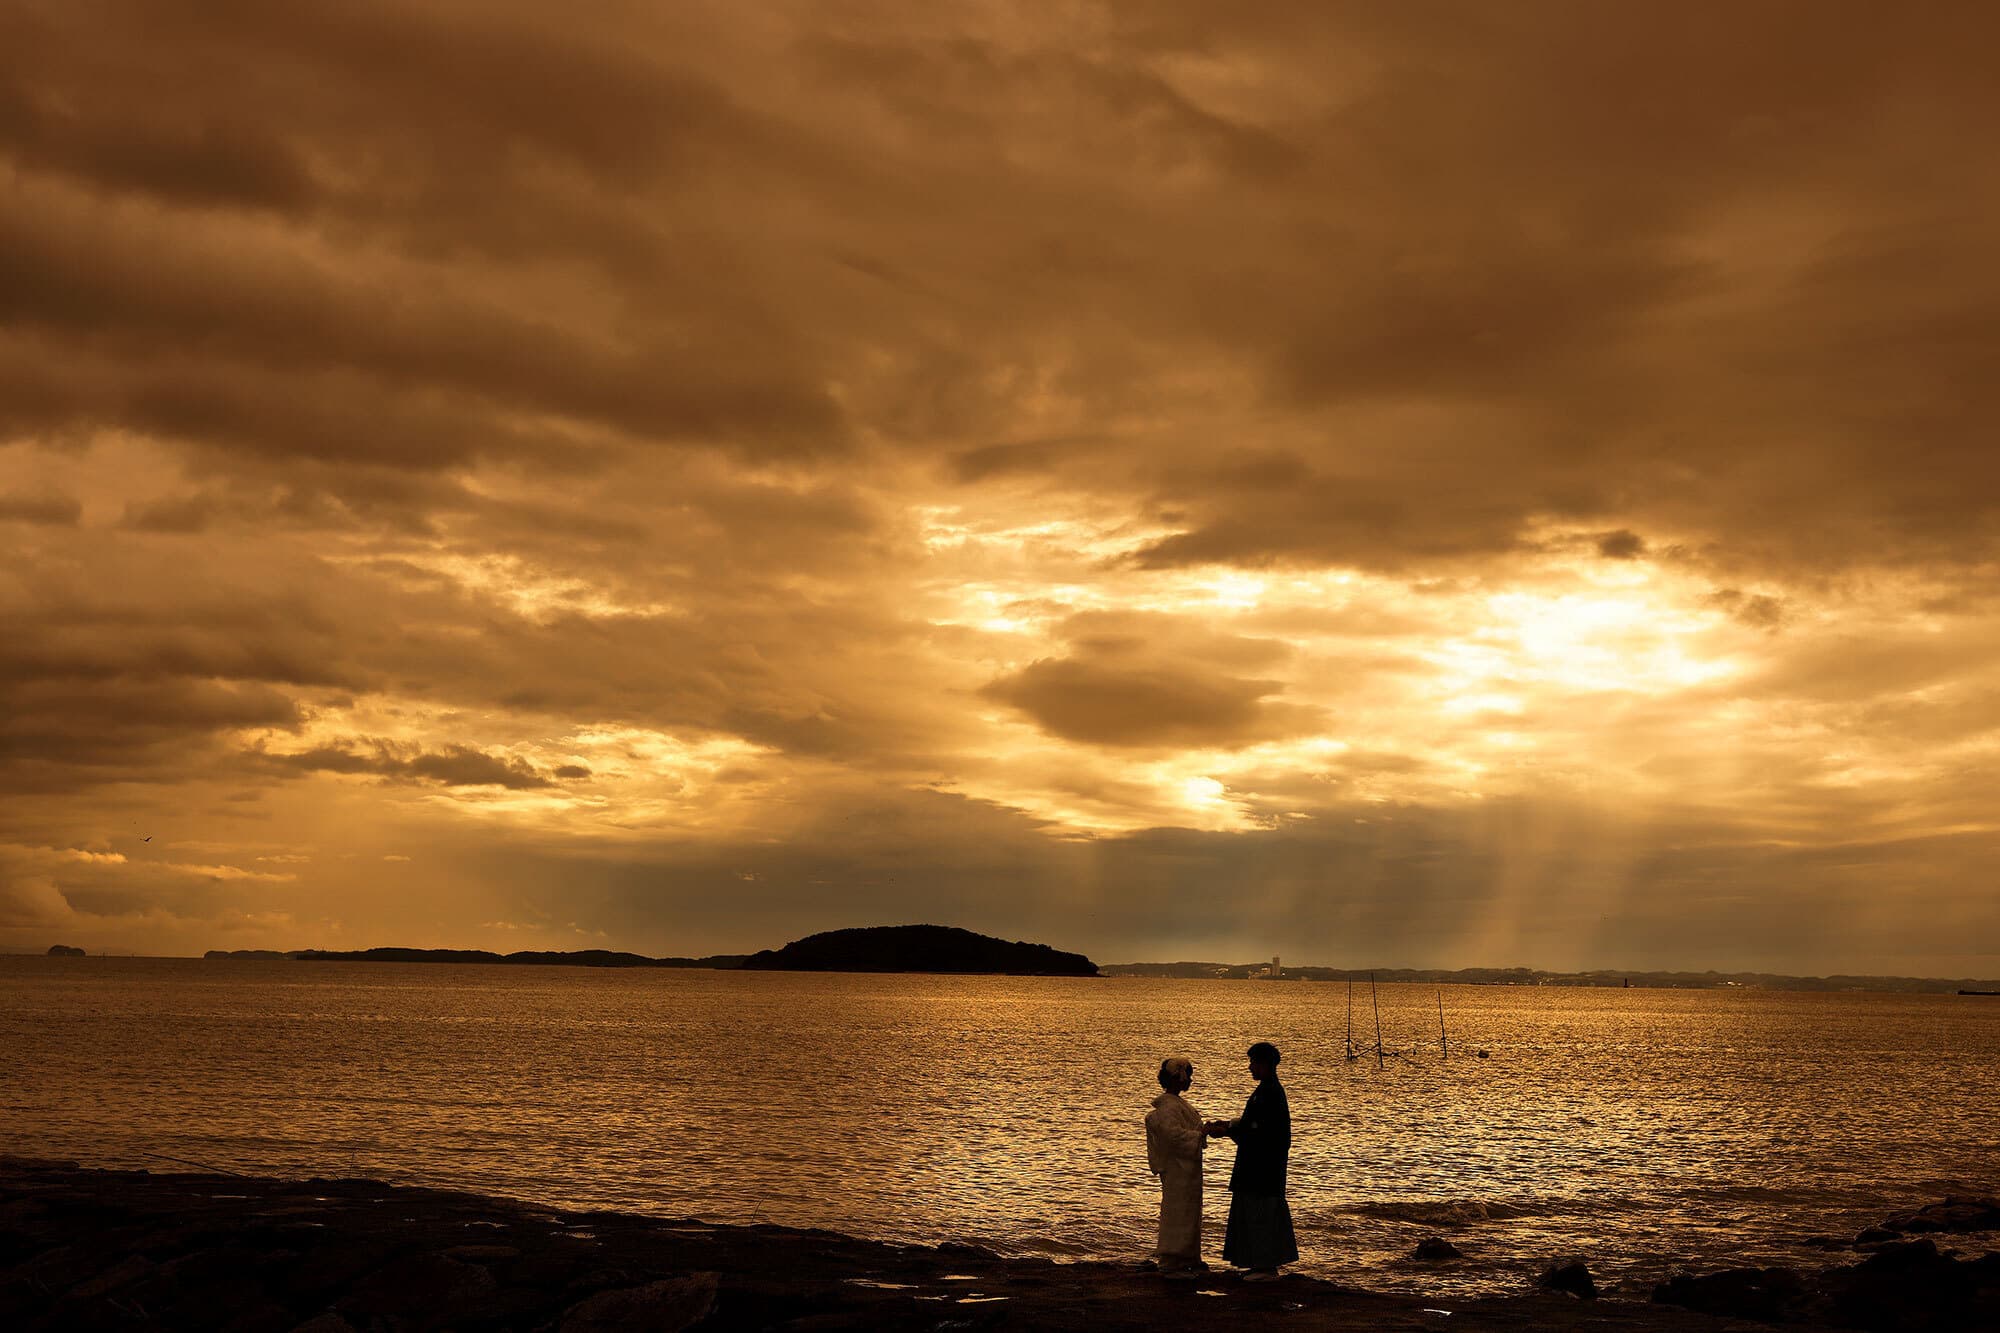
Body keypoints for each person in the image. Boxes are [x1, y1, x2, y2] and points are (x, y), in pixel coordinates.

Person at [1206, 1041, 1296, 1281]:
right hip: (1258, 1164)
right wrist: (1231, 1126)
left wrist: (1228, 1129)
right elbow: (1252, 1125)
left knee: (1261, 1212)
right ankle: (1259, 1263)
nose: (1250, 1068)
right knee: (1253, 1211)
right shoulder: (1267, 1090)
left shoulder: (1271, 1092)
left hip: (1263, 1166)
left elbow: (1262, 1130)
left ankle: (1266, 1266)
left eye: (1254, 1063)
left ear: (1265, 1064)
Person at [1144, 1056, 1208, 1275]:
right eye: (1188, 1075)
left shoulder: (1174, 1105)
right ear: (1178, 1078)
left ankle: (1185, 1255)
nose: (1189, 1080)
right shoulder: (1169, 1107)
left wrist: (1200, 1133)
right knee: (1178, 1210)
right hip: (1178, 1168)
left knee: (1186, 1211)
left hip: (1185, 1168)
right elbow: (1172, 1137)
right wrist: (1199, 1135)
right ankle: (1173, 1256)